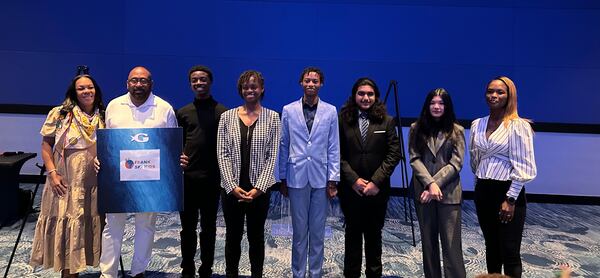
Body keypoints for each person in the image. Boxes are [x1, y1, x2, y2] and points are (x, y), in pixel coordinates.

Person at [97, 66, 178, 278]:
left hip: (150, 179)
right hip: (118, 177)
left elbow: (171, 146)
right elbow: (105, 142)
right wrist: (100, 158)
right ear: (127, 84)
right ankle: (108, 273)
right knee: (112, 226)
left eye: (143, 81)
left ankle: (138, 271)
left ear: (151, 84)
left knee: (146, 226)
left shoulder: (164, 108)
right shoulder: (114, 106)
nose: (138, 85)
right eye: (134, 80)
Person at [30, 74, 105, 278]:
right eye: (81, 88)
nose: (86, 91)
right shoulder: (60, 114)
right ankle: (67, 272)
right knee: (66, 220)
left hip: (92, 179)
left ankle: (80, 266)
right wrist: (53, 174)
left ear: (96, 90)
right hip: (64, 178)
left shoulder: (104, 116)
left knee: (86, 222)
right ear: (74, 92)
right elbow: (46, 145)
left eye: (90, 87)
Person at [470, 76, 537, 278]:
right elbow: (475, 160)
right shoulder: (477, 124)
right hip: (483, 191)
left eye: (500, 92)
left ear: (510, 96)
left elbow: (525, 166)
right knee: (491, 247)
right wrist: (479, 184)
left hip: (508, 193)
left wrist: (510, 199)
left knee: (509, 251)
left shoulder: (519, 126)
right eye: (490, 91)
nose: (494, 95)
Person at [217, 70, 281, 278]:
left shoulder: (272, 117)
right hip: (231, 189)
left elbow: (273, 156)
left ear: (261, 89)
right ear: (240, 90)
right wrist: (232, 186)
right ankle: (231, 274)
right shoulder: (227, 117)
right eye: (246, 87)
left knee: (256, 237)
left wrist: (258, 189)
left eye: (254, 86)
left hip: (259, 191)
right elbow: (222, 153)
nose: (250, 90)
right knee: (232, 237)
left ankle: (256, 275)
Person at [279, 67, 340, 278]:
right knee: (298, 232)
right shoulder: (288, 110)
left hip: (321, 178)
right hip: (296, 176)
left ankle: (315, 273)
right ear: (301, 83)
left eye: (315, 81)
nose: (311, 84)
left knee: (317, 232)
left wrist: (333, 179)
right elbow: (284, 144)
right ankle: (298, 273)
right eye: (307, 81)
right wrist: (282, 177)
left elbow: (333, 146)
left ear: (321, 83)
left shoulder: (331, 111)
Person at [338, 77, 401, 278]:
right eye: (361, 93)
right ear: (354, 95)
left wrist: (376, 182)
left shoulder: (387, 121)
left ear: (376, 97)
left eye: (370, 94)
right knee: (352, 235)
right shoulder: (343, 119)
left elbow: (394, 154)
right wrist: (353, 179)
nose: (365, 98)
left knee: (374, 236)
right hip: (351, 189)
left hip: (377, 190)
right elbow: (335, 153)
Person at [409, 88, 466, 278]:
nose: (436, 106)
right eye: (433, 102)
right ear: (427, 105)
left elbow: (456, 163)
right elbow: (414, 159)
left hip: (448, 194)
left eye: (441, 103)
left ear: (447, 106)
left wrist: (435, 184)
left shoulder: (457, 131)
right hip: (423, 194)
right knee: (429, 243)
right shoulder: (415, 128)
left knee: (451, 246)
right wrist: (429, 184)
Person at [177, 65, 227, 278]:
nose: (199, 83)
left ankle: (206, 268)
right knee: (187, 229)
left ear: (210, 82)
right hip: (187, 180)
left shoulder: (223, 112)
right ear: (190, 84)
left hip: (212, 180)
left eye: (203, 79)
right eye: (195, 80)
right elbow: (175, 146)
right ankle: (187, 268)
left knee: (209, 229)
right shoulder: (182, 112)